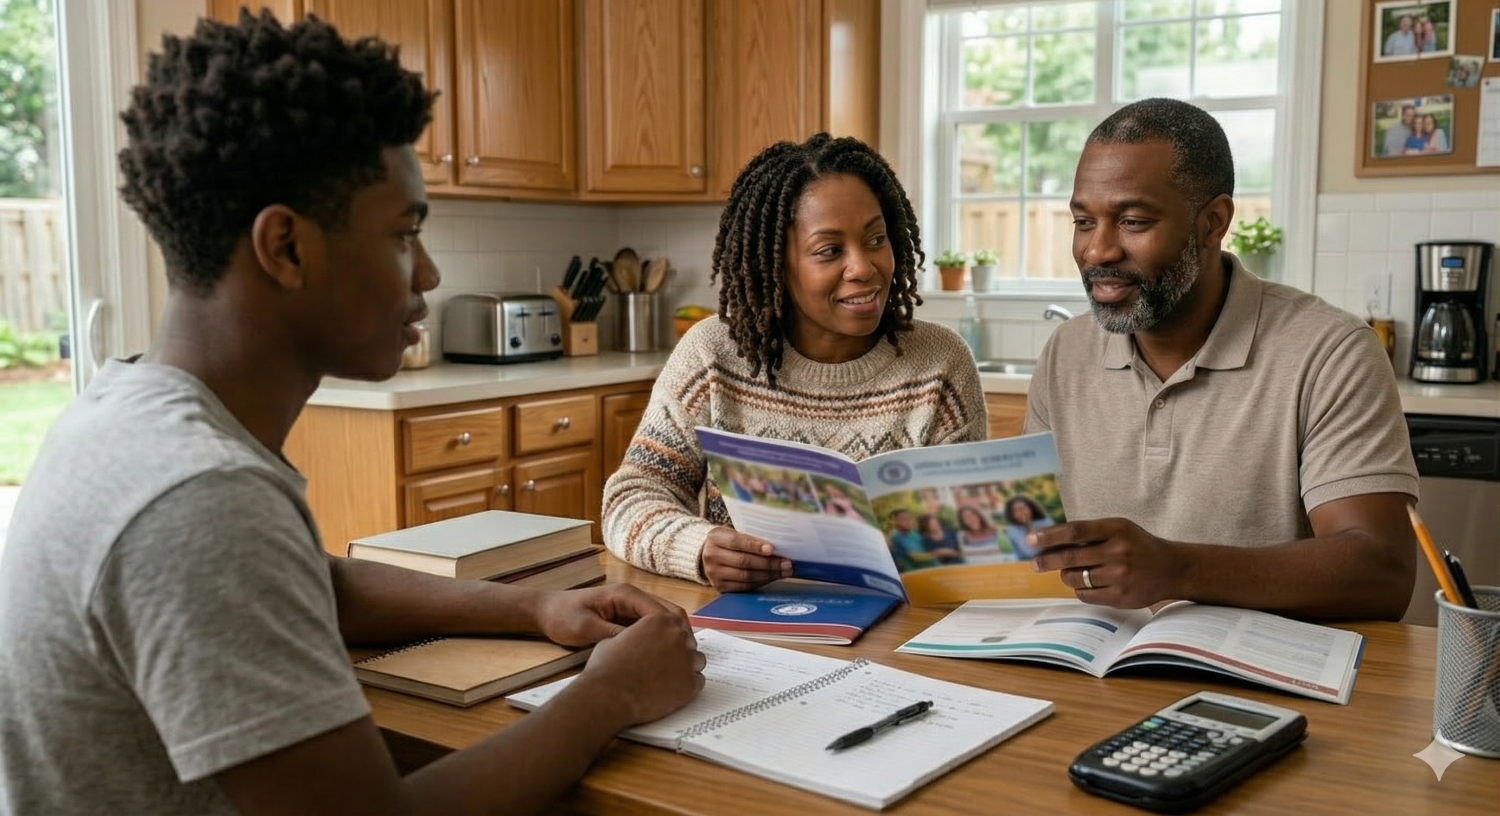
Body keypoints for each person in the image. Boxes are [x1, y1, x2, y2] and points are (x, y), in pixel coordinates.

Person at [0, 13, 706, 816]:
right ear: (287, 248)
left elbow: (313, 586)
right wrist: (610, 696)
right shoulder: (198, 495)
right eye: (406, 234)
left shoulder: (124, 410)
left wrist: (537, 606)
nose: (431, 273)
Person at [1028, 98, 1417, 621]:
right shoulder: (1065, 353)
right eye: (1082, 221)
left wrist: (1178, 570)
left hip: (1266, 681)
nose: (1097, 251)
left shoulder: (1331, 351)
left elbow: (1382, 571)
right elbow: (1028, 543)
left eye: (1134, 221)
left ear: (1213, 223)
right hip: (1093, 670)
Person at [601, 133, 987, 592]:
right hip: (751, 633)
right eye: (830, 250)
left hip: (900, 632)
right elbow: (630, 498)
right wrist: (699, 548)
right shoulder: (712, 356)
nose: (863, 267)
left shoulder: (941, 365)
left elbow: (972, 542)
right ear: (776, 265)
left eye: (876, 239)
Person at [1002, 495, 1055, 560]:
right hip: (1026, 564)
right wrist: (1028, 525)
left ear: (1030, 508)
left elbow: (1055, 543)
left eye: (1023, 508)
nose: (1021, 512)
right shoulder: (1012, 529)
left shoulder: (1045, 521)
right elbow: (1031, 552)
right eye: (1016, 510)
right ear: (1012, 514)